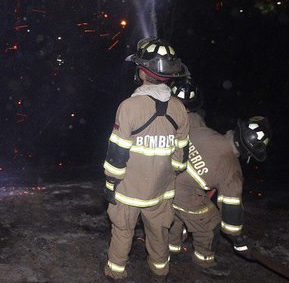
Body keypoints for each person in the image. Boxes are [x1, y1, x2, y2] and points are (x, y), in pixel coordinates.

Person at [103, 37, 190, 282]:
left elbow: (117, 154)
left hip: (128, 191)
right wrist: (167, 177)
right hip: (160, 192)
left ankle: (115, 273)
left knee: (122, 231)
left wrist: (111, 184)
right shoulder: (180, 109)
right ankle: (160, 272)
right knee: (159, 234)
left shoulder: (129, 107)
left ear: (142, 72)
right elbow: (180, 156)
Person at [168, 114, 272, 277]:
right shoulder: (232, 171)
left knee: (182, 212)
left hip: (163, 182)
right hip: (181, 193)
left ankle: (171, 247)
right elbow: (231, 212)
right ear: (250, 152)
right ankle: (204, 260)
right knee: (211, 221)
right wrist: (238, 240)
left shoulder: (205, 132)